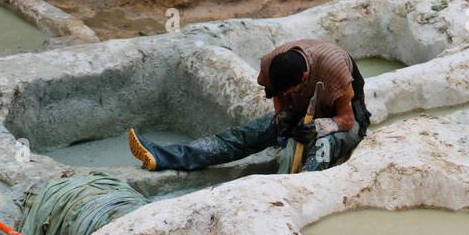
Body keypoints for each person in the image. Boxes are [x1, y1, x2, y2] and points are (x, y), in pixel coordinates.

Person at [128, 38, 370, 174]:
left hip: (343, 123)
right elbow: (277, 94)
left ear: (305, 76)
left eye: (290, 92)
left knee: (322, 148)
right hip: (300, 114)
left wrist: (318, 126)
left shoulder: (333, 68)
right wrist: (282, 115)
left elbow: (347, 119)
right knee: (243, 136)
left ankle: (300, 189)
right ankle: (164, 156)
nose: (283, 94)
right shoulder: (271, 62)